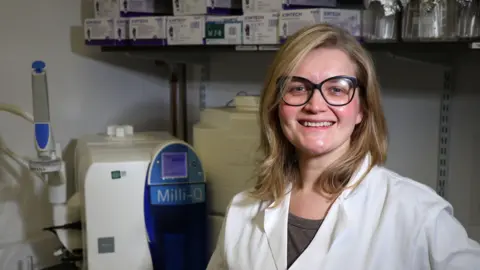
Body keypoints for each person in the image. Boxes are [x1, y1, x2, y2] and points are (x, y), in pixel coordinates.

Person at [206, 23, 480, 269]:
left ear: (362, 108)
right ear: (276, 105)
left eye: (337, 89)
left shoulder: (415, 212)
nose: (315, 105)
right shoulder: (243, 211)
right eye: (297, 88)